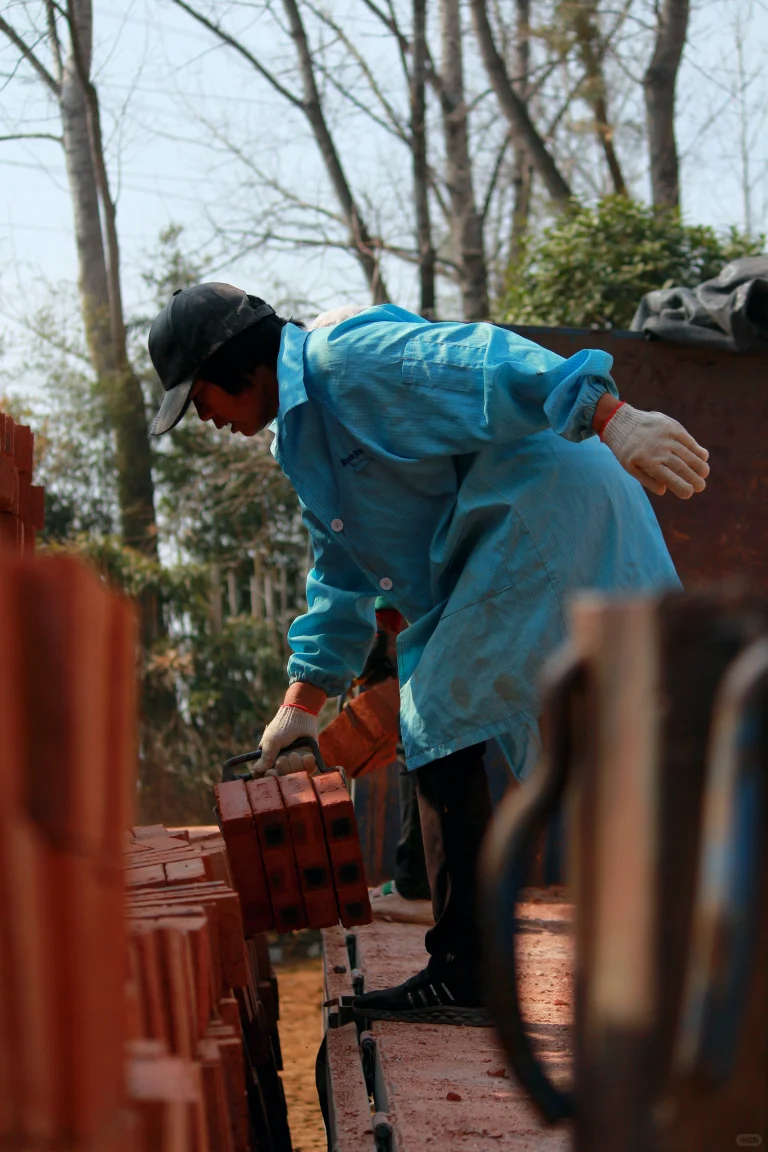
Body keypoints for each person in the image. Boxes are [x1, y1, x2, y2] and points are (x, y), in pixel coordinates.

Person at [148, 282, 709, 1026]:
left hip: (539, 515)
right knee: (592, 757)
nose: (207, 419)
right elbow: (340, 564)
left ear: (234, 367)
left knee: (438, 714)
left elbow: (483, 361)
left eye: (201, 399)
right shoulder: (302, 435)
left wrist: (610, 415)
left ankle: (466, 969)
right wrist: (302, 702)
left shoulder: (345, 359)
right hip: (511, 543)